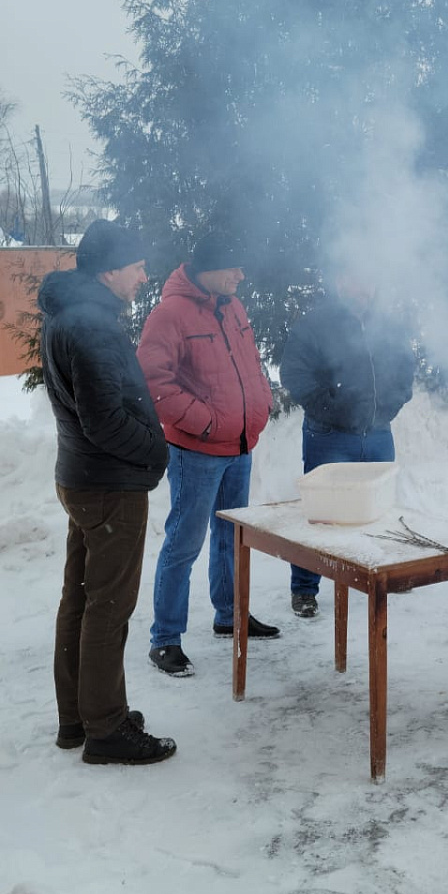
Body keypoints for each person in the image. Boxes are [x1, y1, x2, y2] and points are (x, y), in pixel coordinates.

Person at [38, 219, 177, 765]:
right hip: (109, 484)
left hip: (81, 477)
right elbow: (102, 420)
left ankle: (78, 715)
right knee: (107, 607)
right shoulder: (92, 326)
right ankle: (106, 728)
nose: (145, 275)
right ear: (110, 269)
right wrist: (156, 449)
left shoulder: (67, 317)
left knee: (80, 599)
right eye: (138, 265)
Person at [138, 230, 278, 676]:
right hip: (196, 451)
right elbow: (154, 383)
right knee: (184, 542)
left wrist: (262, 402)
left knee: (233, 537)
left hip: (239, 446)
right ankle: (165, 638)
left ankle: (230, 616)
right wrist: (205, 421)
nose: (241, 275)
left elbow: (251, 364)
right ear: (209, 270)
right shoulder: (169, 315)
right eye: (234, 267)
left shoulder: (232, 305)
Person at [280, 274, 415, 617]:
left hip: (378, 432)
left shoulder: (387, 325)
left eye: (368, 281)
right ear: (341, 282)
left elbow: (404, 368)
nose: (363, 288)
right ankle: (305, 589)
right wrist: (332, 407)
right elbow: (295, 375)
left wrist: (393, 403)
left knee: (380, 508)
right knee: (320, 515)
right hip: (329, 435)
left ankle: (376, 572)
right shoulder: (316, 323)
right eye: (356, 280)